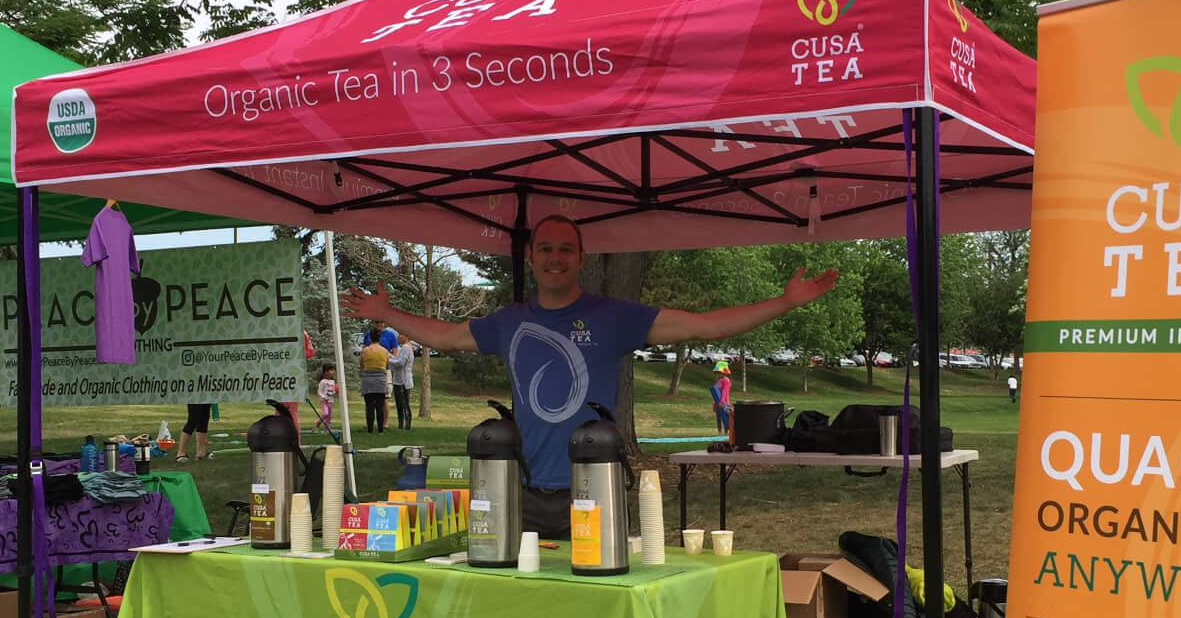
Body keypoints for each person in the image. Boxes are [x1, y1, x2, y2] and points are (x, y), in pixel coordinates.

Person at [345, 215, 838, 538]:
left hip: (594, 492)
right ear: (532, 258)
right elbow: (448, 337)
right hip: (521, 494)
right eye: (546, 249)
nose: (555, 257)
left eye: (566, 249)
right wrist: (387, 314)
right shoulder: (510, 321)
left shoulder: (613, 317)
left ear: (581, 259)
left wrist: (783, 303)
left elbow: (703, 323)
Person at [358, 330, 391, 433]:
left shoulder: (365, 351)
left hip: (368, 380)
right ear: (379, 338)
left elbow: (361, 364)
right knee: (380, 405)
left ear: (370, 338)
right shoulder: (384, 351)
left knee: (369, 406)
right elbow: (386, 364)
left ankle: (370, 429)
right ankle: (381, 429)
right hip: (381, 379)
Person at [389, 336, 416, 431]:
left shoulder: (405, 348)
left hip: (402, 381)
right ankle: (402, 425)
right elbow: (398, 358)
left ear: (406, 337)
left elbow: (400, 362)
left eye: (400, 334)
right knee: (402, 403)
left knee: (403, 403)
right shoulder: (407, 347)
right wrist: (389, 355)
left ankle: (405, 425)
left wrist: (388, 360)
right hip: (403, 379)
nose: (398, 337)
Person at [709, 359, 732, 435]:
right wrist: (715, 403)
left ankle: (726, 432)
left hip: (724, 403)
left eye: (719, 372)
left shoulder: (726, 381)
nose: (717, 374)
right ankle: (719, 432)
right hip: (717, 403)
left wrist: (722, 402)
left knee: (724, 418)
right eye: (717, 373)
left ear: (723, 372)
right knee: (718, 418)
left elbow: (725, 392)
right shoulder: (718, 380)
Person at [314, 363, 338, 433]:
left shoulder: (333, 381)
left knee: (329, 417)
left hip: (331, 401)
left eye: (333, 370)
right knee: (325, 414)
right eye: (331, 370)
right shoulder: (323, 381)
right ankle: (317, 424)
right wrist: (324, 397)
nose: (333, 372)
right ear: (325, 372)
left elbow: (332, 391)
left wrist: (335, 392)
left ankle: (327, 429)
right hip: (324, 402)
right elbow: (319, 392)